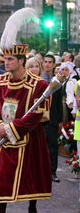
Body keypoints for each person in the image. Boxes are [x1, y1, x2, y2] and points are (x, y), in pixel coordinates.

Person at [0, 8, 52, 213]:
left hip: (29, 140)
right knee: (1, 182)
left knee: (31, 179)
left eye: (10, 59)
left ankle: (32, 211)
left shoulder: (39, 86)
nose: (6, 62)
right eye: (4, 58)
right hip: (4, 141)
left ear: (22, 60)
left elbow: (38, 115)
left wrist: (12, 128)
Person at [42, 54, 63, 183]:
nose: (48, 64)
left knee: (52, 146)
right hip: (39, 119)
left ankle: (52, 172)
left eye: (50, 62)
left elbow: (58, 103)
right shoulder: (38, 79)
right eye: (45, 62)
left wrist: (60, 120)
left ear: (54, 65)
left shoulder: (57, 81)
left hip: (52, 119)